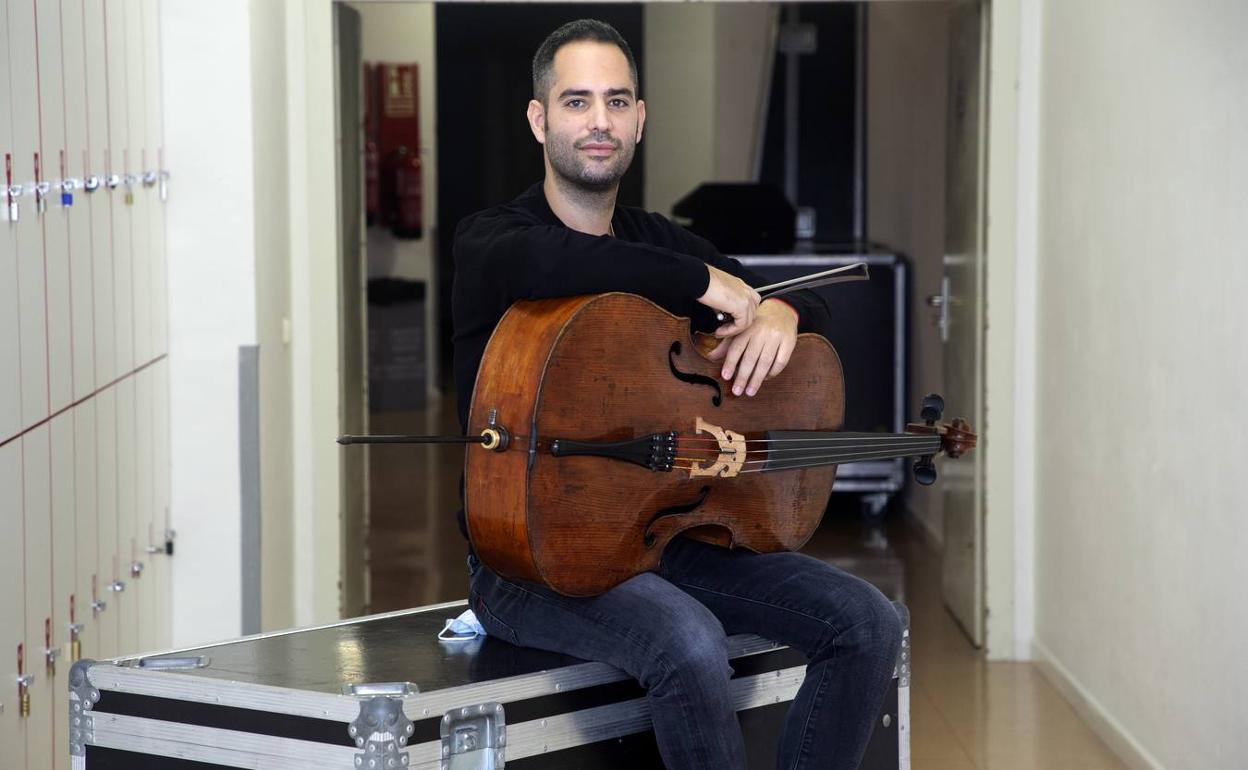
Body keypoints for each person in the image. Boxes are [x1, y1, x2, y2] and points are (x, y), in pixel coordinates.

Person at [451, 19, 902, 770]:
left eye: (616, 101)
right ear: (539, 119)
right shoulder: (491, 241)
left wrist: (784, 312)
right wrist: (697, 281)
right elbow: (558, 261)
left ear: (639, 119)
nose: (599, 121)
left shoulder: (657, 238)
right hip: (527, 565)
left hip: (664, 537)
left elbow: (788, 299)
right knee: (688, 641)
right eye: (576, 102)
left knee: (868, 621)